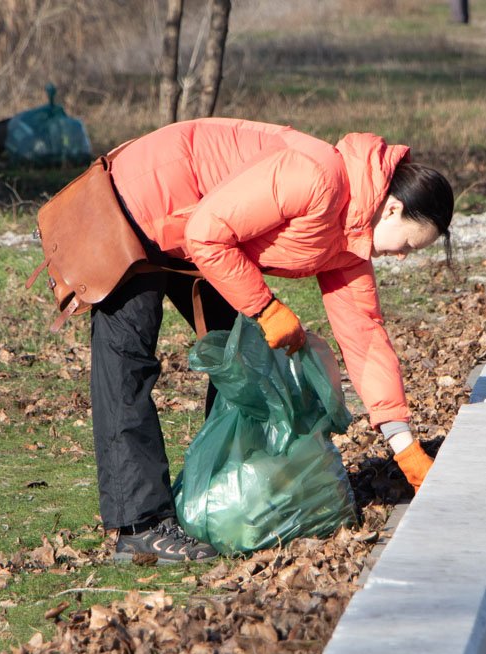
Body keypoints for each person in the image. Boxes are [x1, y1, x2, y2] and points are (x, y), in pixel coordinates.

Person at [93, 118, 453, 564]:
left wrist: (405, 447)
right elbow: (207, 232)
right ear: (394, 208)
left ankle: (222, 496)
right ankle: (139, 527)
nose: (401, 256)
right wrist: (265, 308)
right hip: (141, 199)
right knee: (127, 363)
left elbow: (365, 337)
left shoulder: (349, 240)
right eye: (409, 246)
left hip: (197, 227)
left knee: (239, 355)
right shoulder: (319, 177)